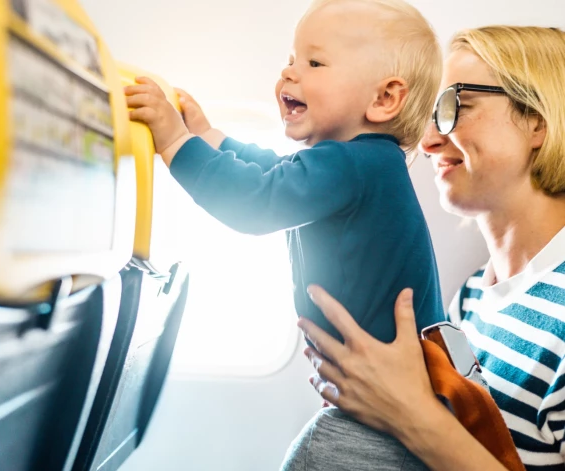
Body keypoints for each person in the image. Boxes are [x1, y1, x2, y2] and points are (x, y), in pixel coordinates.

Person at [297, 25, 565, 471]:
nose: (428, 140)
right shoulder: (474, 295)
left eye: (454, 106)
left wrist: (407, 413)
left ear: (538, 120)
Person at [124, 0, 444, 351]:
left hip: (393, 390)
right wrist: (208, 137)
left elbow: (257, 201)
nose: (288, 73)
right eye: (292, 60)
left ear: (384, 98)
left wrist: (175, 142)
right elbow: (276, 170)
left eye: (315, 62)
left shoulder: (360, 163)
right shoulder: (361, 162)